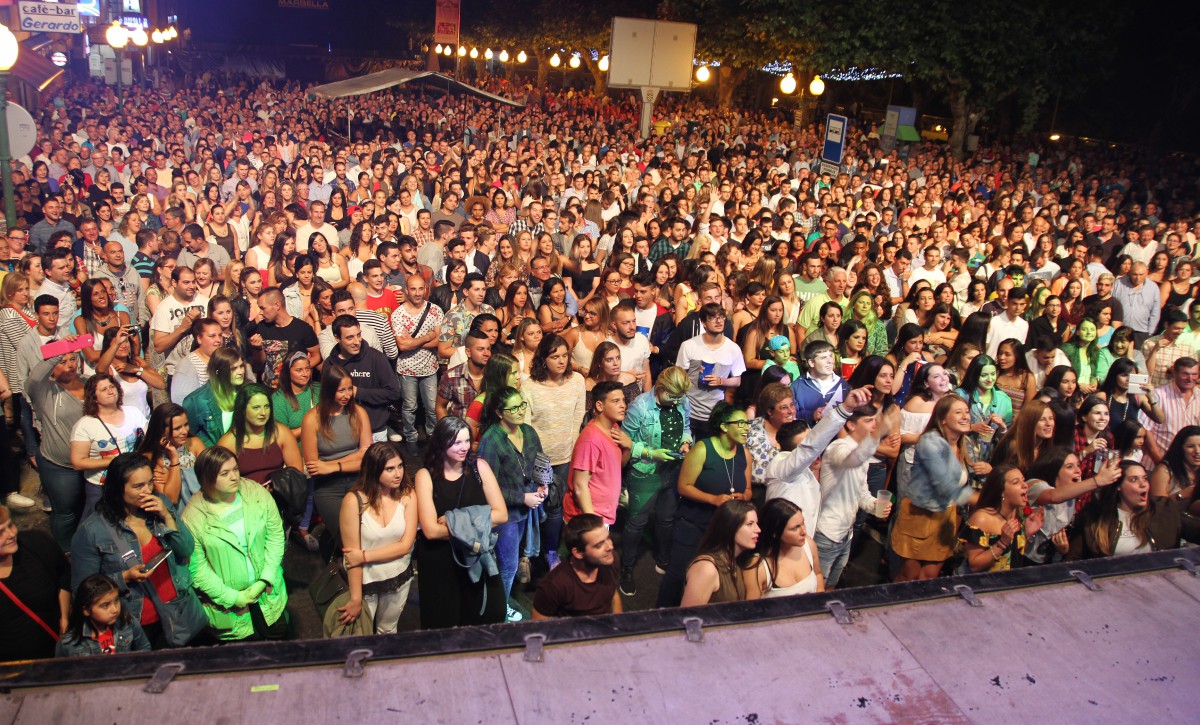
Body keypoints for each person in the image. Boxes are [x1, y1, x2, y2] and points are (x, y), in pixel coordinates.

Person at [70, 453, 206, 648]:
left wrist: (167, 517)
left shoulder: (160, 504)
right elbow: (82, 591)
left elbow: (185, 549)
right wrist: (123, 577)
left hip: (179, 613)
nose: (148, 491)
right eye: (138, 486)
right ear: (118, 488)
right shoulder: (92, 532)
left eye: (150, 482)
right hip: (137, 624)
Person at [181, 447, 288, 642]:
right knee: (244, 658)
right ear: (207, 478)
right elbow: (197, 569)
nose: (234, 477)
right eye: (225, 473)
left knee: (278, 641)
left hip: (268, 592)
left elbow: (275, 536)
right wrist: (232, 597)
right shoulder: (193, 517)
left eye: (235, 469)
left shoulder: (256, 493)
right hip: (229, 607)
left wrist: (266, 578)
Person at [414, 416, 508, 629]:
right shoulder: (425, 476)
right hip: (441, 562)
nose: (464, 447)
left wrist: (454, 520)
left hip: (475, 555)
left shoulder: (479, 467)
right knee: (444, 625)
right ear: (441, 442)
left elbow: (502, 514)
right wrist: (479, 520)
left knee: (489, 615)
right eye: (457, 442)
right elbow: (431, 531)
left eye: (467, 441)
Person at [658, 403, 752, 607]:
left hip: (725, 530)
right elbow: (684, 486)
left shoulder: (744, 454)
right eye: (741, 423)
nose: (747, 428)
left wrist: (742, 497)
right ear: (724, 426)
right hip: (694, 524)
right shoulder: (702, 449)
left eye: (748, 423)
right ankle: (661, 618)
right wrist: (714, 499)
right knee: (678, 574)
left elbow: (748, 490)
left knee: (712, 577)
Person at [890, 395, 984, 582]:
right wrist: (986, 500)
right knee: (910, 577)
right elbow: (945, 485)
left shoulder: (964, 444)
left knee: (929, 577)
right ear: (942, 419)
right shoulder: (930, 442)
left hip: (946, 516)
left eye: (966, 412)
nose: (966, 416)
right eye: (958, 412)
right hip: (920, 515)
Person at [619, 367, 693, 594]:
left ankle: (663, 559)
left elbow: (687, 427)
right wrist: (653, 454)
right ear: (660, 388)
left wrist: (686, 442)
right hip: (645, 473)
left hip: (672, 471)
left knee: (666, 519)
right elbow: (626, 442)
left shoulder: (682, 401)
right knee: (636, 523)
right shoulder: (640, 407)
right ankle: (626, 568)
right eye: (672, 396)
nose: (676, 401)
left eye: (679, 397)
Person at [477, 385, 547, 620]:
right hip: (506, 515)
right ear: (499, 412)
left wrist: (543, 484)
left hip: (526, 509)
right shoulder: (491, 440)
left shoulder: (528, 432)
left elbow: (540, 462)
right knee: (507, 567)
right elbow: (489, 487)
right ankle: (500, 612)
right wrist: (522, 498)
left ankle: (501, 603)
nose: (520, 411)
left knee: (513, 562)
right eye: (514, 407)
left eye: (522, 405)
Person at [336, 442, 417, 635]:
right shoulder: (354, 501)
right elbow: (351, 556)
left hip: (399, 577)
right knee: (361, 634)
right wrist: (355, 598)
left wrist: (364, 556)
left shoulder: (407, 495)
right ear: (374, 470)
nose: (397, 474)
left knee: (388, 630)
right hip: (367, 582)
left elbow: (405, 546)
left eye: (400, 466)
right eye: (389, 469)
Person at [523, 334, 588, 567]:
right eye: (555, 357)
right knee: (533, 505)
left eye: (565, 356)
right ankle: (527, 554)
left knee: (555, 508)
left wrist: (574, 453)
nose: (561, 361)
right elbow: (527, 428)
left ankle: (550, 552)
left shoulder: (577, 381)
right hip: (539, 458)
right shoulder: (529, 385)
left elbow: (578, 419)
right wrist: (536, 461)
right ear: (543, 358)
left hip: (566, 457)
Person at [814, 404, 891, 588]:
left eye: (875, 421)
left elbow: (861, 493)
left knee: (832, 586)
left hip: (845, 534)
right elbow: (851, 460)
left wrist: (875, 505)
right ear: (851, 425)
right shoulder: (838, 448)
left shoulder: (861, 453)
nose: (874, 425)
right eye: (868, 421)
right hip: (827, 532)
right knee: (817, 589)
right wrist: (879, 433)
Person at [301, 364, 372, 557]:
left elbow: (367, 457)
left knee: (366, 534)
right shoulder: (312, 420)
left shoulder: (358, 413)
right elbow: (315, 467)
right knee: (346, 539)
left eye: (349, 389)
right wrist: (354, 457)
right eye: (341, 390)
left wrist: (333, 466)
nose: (347, 394)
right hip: (328, 489)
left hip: (358, 481)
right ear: (329, 390)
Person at [1067, 461, 1200, 560]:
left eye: (1145, 479)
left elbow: (1195, 530)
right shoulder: (1095, 516)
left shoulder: (1164, 509)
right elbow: (1074, 560)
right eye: (1134, 480)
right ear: (1118, 487)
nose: (1143, 484)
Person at [69, 372, 149, 518]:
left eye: (112, 386)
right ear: (94, 397)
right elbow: (78, 462)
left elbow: (149, 441)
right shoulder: (85, 425)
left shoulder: (133, 412)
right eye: (103, 389)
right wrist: (116, 461)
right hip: (101, 487)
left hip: (134, 481)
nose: (110, 391)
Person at [1022, 447, 1120, 566]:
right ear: (1053, 469)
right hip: (1021, 557)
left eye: (1078, 465)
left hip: (1044, 563)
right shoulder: (1035, 485)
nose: (1078, 471)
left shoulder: (1071, 497)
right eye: (1070, 467)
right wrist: (1098, 480)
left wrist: (1062, 550)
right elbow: (1053, 496)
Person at [0, 504, 71, 662]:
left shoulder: (36, 543)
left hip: (54, 655)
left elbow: (63, 574)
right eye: (0, 533)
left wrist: (65, 616)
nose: (11, 534)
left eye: (10, 525)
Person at [325, 314, 401, 441]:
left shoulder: (376, 358)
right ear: (337, 338)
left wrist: (358, 392)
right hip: (343, 431)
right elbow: (327, 398)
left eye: (358, 335)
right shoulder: (330, 364)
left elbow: (393, 393)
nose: (356, 342)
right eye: (349, 338)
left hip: (375, 431)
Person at [532, 513, 622, 619]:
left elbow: (612, 593)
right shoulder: (554, 585)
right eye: (599, 545)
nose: (610, 546)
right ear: (578, 553)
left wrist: (618, 624)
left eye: (608, 538)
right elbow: (537, 626)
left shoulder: (610, 559)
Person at [676, 302, 746, 437]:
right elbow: (679, 377)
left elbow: (737, 381)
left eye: (721, 317)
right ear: (703, 323)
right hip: (688, 410)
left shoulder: (733, 349)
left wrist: (721, 381)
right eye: (712, 318)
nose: (718, 321)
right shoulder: (689, 345)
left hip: (714, 413)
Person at [391, 272, 442, 455]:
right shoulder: (398, 314)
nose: (418, 292)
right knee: (409, 407)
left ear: (426, 289)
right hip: (407, 368)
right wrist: (428, 336)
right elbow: (402, 346)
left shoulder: (435, 310)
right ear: (406, 290)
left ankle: (432, 437)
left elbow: (439, 340)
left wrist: (414, 341)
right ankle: (411, 438)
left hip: (430, 367)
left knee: (431, 407)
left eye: (421, 288)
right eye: (413, 289)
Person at [958, 465, 1044, 573]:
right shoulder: (982, 519)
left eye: (1023, 480)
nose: (1025, 485)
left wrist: (1027, 533)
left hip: (1009, 583)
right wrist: (1003, 543)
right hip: (984, 585)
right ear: (1001, 491)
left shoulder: (1018, 513)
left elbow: (1013, 557)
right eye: (1016, 482)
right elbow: (975, 565)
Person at [216, 384, 303, 486]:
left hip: (280, 495)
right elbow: (221, 482)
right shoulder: (228, 442)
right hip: (246, 497)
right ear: (243, 409)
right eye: (256, 407)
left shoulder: (281, 432)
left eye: (266, 407)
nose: (263, 413)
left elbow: (297, 474)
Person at [679, 500, 760, 606]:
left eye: (756, 524)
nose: (758, 530)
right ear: (731, 527)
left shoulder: (735, 562)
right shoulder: (707, 569)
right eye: (750, 524)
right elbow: (688, 617)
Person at [56, 573, 152, 656]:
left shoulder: (128, 622)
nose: (115, 609)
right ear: (86, 610)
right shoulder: (68, 642)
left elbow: (144, 648)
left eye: (116, 601)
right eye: (105, 605)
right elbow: (61, 672)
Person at [753, 498, 825, 597]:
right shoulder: (759, 566)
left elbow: (818, 574)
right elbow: (752, 608)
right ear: (775, 533)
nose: (804, 532)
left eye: (803, 523)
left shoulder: (809, 544)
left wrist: (820, 599)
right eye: (795, 528)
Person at [181, 348, 246, 447]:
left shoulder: (247, 393)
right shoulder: (195, 401)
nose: (240, 372)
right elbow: (189, 439)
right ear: (218, 372)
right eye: (233, 368)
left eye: (241, 366)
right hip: (214, 457)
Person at [791, 340, 849, 425]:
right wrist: (812, 415)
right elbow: (791, 416)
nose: (830, 361)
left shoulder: (843, 385)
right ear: (811, 363)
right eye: (823, 358)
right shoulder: (797, 386)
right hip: (808, 436)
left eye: (830, 356)